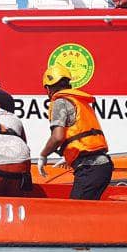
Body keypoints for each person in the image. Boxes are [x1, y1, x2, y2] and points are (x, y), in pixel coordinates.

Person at [37, 64, 113, 200]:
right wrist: (69, 156)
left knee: (76, 209)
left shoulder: (60, 102)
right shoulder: (80, 101)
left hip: (89, 168)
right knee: (86, 208)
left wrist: (43, 155)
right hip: (103, 165)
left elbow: (57, 137)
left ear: (48, 88)